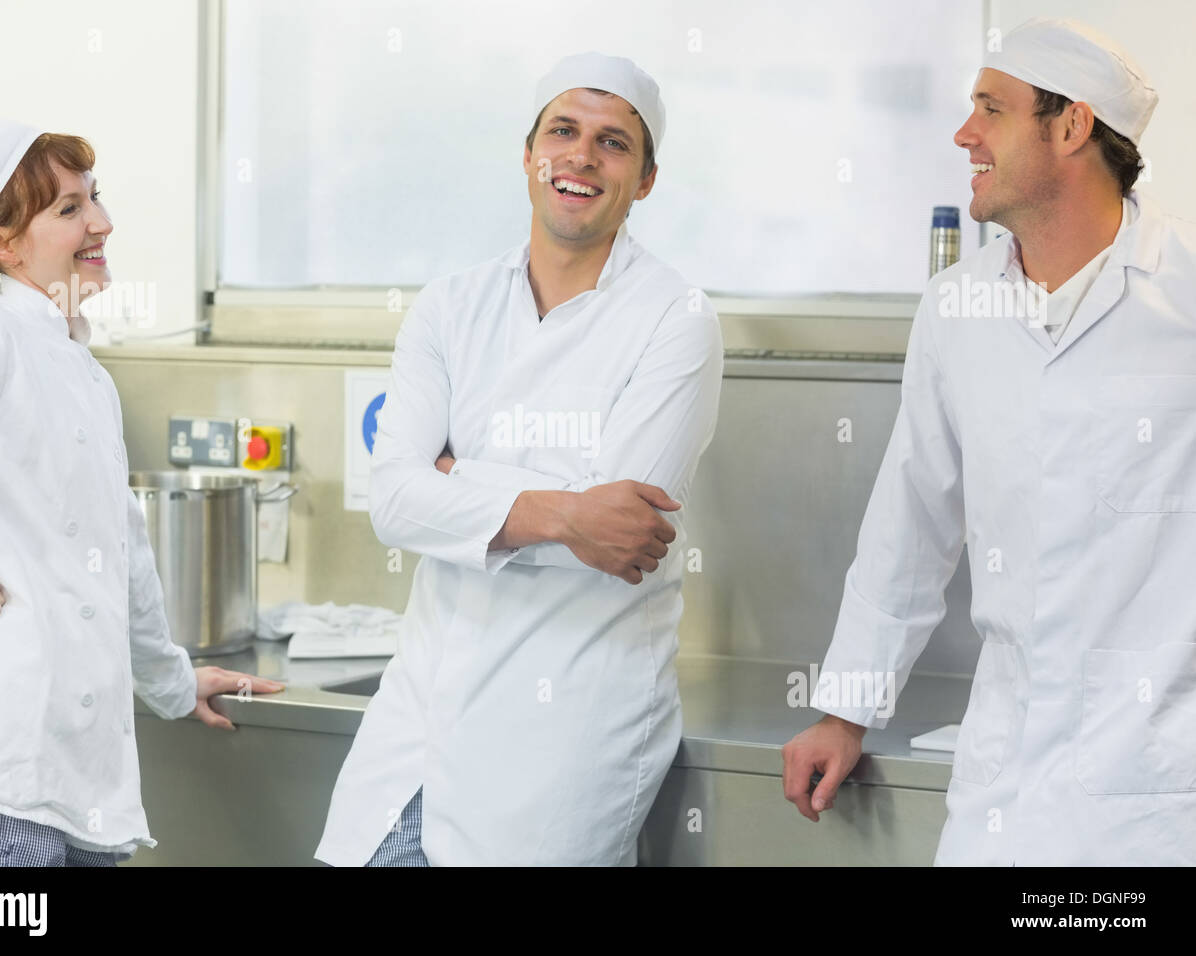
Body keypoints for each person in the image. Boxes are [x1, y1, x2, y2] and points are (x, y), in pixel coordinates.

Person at [781, 18, 1196, 865]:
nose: (965, 133)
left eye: (991, 109)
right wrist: (846, 708)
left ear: (1072, 126)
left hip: (1159, 798)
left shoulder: (1183, 303)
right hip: (1000, 792)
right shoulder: (957, 310)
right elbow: (913, 517)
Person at [316, 52, 723, 866]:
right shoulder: (449, 306)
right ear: (529, 154)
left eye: (613, 143)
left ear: (644, 181)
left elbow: (618, 543)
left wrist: (453, 481)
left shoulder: (676, 319)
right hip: (413, 735)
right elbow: (394, 504)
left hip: (558, 751)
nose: (580, 156)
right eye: (563, 131)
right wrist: (567, 510)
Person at [0, 122, 282, 866]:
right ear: (5, 245)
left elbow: (121, 557)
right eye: (69, 209)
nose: (101, 222)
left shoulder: (85, 372)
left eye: (94, 199)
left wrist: (172, 681)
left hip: (75, 785)